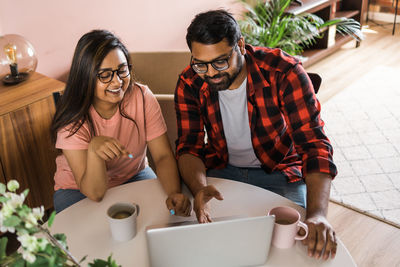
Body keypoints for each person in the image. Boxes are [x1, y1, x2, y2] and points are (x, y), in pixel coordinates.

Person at [174, 10, 338, 260]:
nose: (211, 73)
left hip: (280, 171)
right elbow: (189, 146)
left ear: (240, 44)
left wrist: (318, 214)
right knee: (205, 243)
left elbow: (314, 145)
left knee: (290, 247)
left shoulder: (283, 72)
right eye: (200, 64)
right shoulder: (190, 82)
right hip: (220, 170)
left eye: (220, 61)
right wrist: (199, 188)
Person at [51, 30, 191, 216]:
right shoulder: (72, 119)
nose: (117, 82)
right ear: (86, 77)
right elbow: (96, 193)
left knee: (162, 218)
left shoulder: (141, 97)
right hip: (77, 189)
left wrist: (174, 193)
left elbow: (163, 156)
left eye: (122, 70)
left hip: (135, 175)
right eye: (105, 75)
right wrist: (94, 152)